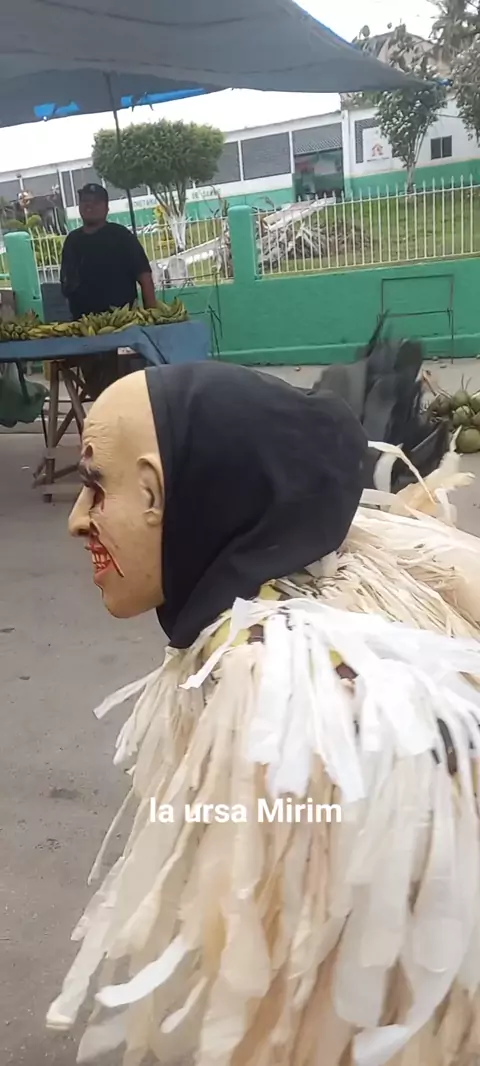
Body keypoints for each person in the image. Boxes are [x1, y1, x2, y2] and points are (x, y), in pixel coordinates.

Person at [46, 362, 480, 1066]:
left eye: (97, 485)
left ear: (158, 494)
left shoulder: (285, 693)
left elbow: (323, 997)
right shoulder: (298, 591)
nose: (76, 520)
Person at [60, 183, 157, 398]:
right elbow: (66, 286)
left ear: (106, 207)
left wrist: (153, 316)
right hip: (86, 329)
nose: (89, 206)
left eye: (95, 202)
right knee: (97, 389)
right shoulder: (72, 241)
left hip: (123, 328)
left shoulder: (120, 236)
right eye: (85, 202)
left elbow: (144, 276)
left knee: (128, 390)